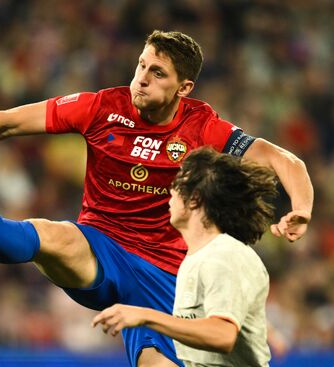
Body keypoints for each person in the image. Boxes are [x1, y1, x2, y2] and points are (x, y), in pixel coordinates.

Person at [0, 30, 313, 366]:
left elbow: (283, 159)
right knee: (53, 235)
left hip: (166, 276)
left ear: (184, 89)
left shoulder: (204, 127)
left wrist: (301, 208)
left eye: (157, 74)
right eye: (141, 66)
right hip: (101, 245)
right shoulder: (102, 107)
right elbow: (7, 122)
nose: (141, 79)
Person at [92, 147, 278, 367]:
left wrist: (146, 316)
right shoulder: (195, 259)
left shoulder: (225, 255)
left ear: (194, 199)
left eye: (177, 185)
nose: (170, 191)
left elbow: (223, 335)